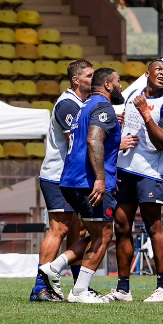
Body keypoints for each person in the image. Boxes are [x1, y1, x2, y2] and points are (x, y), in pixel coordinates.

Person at [39, 68, 125, 303]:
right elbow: (94, 139)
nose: (120, 86)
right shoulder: (101, 106)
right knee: (104, 235)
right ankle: (79, 290)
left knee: (97, 233)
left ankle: (54, 268)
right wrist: (100, 178)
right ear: (107, 84)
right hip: (87, 181)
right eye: (118, 82)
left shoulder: (85, 106)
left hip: (72, 180)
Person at [107, 60, 163, 303]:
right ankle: (123, 289)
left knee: (153, 226)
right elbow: (129, 126)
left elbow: (162, 141)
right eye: (159, 70)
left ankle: (162, 287)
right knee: (122, 227)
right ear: (147, 74)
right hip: (125, 168)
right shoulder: (133, 95)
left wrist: (146, 114)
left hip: (150, 172)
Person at [30, 59, 93, 303]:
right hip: (57, 176)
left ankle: (79, 288)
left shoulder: (82, 103)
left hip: (73, 177)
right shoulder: (67, 104)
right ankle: (40, 287)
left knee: (76, 230)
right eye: (89, 76)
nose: (93, 79)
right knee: (60, 228)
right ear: (76, 80)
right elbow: (77, 140)